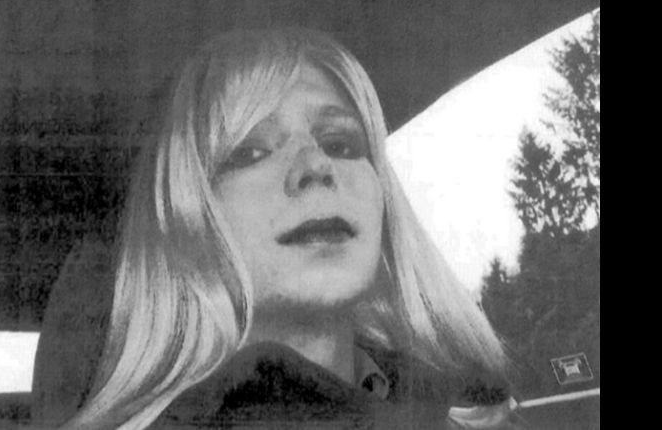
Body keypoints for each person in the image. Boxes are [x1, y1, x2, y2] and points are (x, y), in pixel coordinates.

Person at [35, 28, 520, 429]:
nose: (316, 165)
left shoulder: (473, 411)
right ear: (186, 217)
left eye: (341, 143)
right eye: (250, 152)